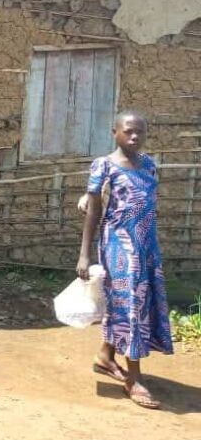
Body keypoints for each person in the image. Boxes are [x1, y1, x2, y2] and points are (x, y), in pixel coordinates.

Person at [77, 111, 174, 409]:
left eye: (140, 132)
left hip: (146, 246)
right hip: (120, 246)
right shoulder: (104, 166)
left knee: (133, 302)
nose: (134, 137)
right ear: (115, 133)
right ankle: (134, 378)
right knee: (131, 304)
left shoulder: (149, 165)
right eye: (129, 131)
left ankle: (106, 356)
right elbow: (94, 210)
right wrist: (84, 253)